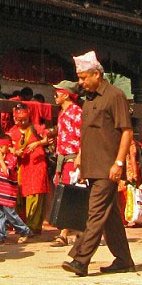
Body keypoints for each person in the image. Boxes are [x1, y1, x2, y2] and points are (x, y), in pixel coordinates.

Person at [62, 50, 134, 277]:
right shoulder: (89, 100)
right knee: (108, 215)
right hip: (91, 166)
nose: (81, 83)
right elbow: (87, 135)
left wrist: (119, 163)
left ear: (96, 74)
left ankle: (80, 259)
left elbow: (127, 131)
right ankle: (123, 259)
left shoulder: (115, 96)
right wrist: (81, 158)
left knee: (93, 213)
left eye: (84, 78)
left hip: (107, 167)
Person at [7, 102, 50, 236]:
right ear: (15, 119)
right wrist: (14, 151)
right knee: (20, 195)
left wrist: (37, 143)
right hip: (21, 167)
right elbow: (7, 146)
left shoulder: (36, 128)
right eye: (19, 120)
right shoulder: (12, 132)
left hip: (37, 165)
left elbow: (48, 139)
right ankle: (22, 225)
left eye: (24, 119)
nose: (22, 122)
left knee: (36, 194)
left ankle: (34, 226)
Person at [51, 80, 82, 245]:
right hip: (62, 158)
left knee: (68, 194)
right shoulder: (62, 113)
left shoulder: (77, 112)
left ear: (65, 94)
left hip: (72, 157)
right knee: (64, 192)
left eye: (57, 92)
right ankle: (78, 230)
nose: (55, 96)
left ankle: (63, 233)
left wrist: (80, 156)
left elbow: (83, 135)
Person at [0, 136, 32, 243]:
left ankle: (24, 231)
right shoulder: (3, 157)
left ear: (8, 146)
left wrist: (1, 160)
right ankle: (0, 235)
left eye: (1, 147)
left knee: (10, 214)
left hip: (7, 192)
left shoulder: (11, 158)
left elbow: (7, 173)